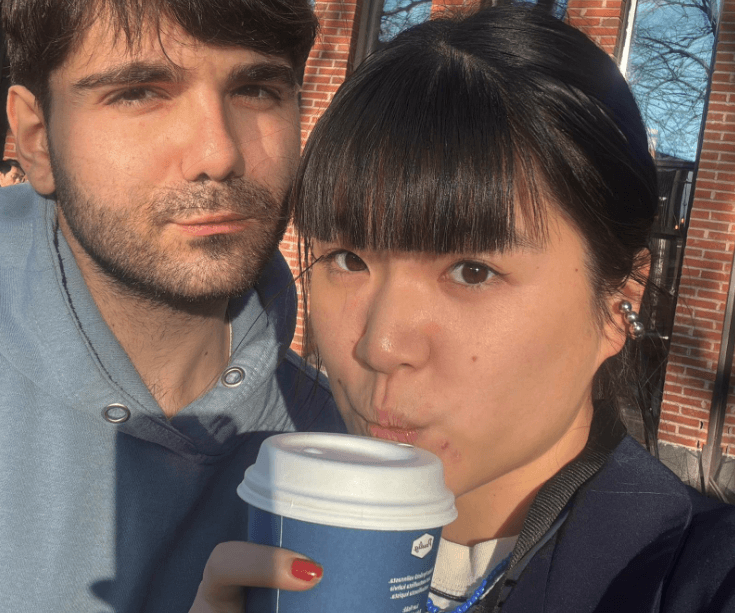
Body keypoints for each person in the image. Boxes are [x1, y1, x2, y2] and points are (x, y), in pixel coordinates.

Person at [190, 6, 735, 613]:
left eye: (472, 271)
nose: (380, 346)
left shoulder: (692, 579)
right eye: (347, 259)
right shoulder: (259, 514)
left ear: (619, 302)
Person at [0, 0, 344, 611]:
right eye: (138, 93)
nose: (218, 154)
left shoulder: (339, 437)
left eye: (257, 90)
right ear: (37, 139)